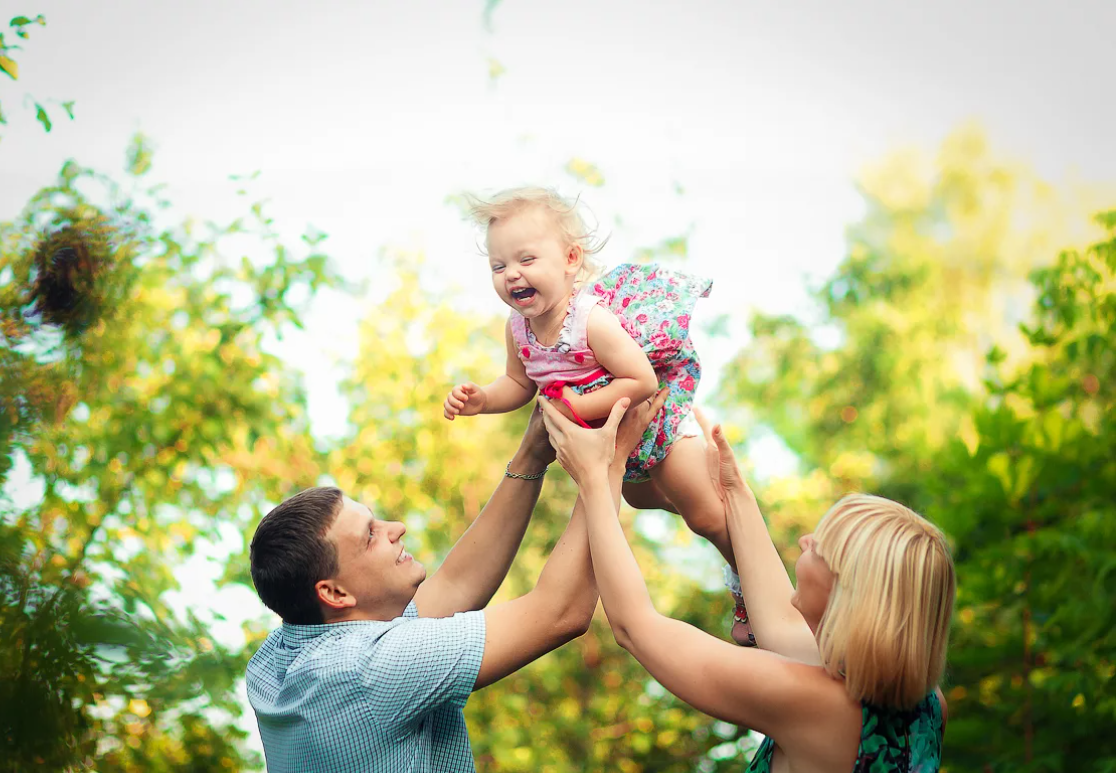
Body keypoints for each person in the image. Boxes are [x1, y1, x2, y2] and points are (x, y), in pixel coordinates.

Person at [245, 393, 666, 773]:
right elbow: (559, 612)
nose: (397, 528)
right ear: (334, 593)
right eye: (370, 536)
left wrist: (530, 455)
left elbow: (457, 586)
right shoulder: (369, 670)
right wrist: (606, 466)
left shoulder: (277, 660)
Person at [540, 397, 955, 772]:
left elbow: (637, 627)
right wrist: (735, 490)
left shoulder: (808, 700)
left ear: (847, 594)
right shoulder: (927, 704)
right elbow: (778, 624)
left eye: (820, 547)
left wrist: (597, 476)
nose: (804, 540)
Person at [442, 186, 754, 645]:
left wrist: (578, 405)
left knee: (705, 515)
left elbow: (642, 381)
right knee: (647, 501)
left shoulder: (589, 320)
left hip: (653, 429)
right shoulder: (518, 329)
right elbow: (518, 383)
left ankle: (752, 588)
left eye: (527, 261)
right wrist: (482, 400)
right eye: (499, 266)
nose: (512, 275)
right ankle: (718, 518)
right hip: (613, 450)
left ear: (570, 260)